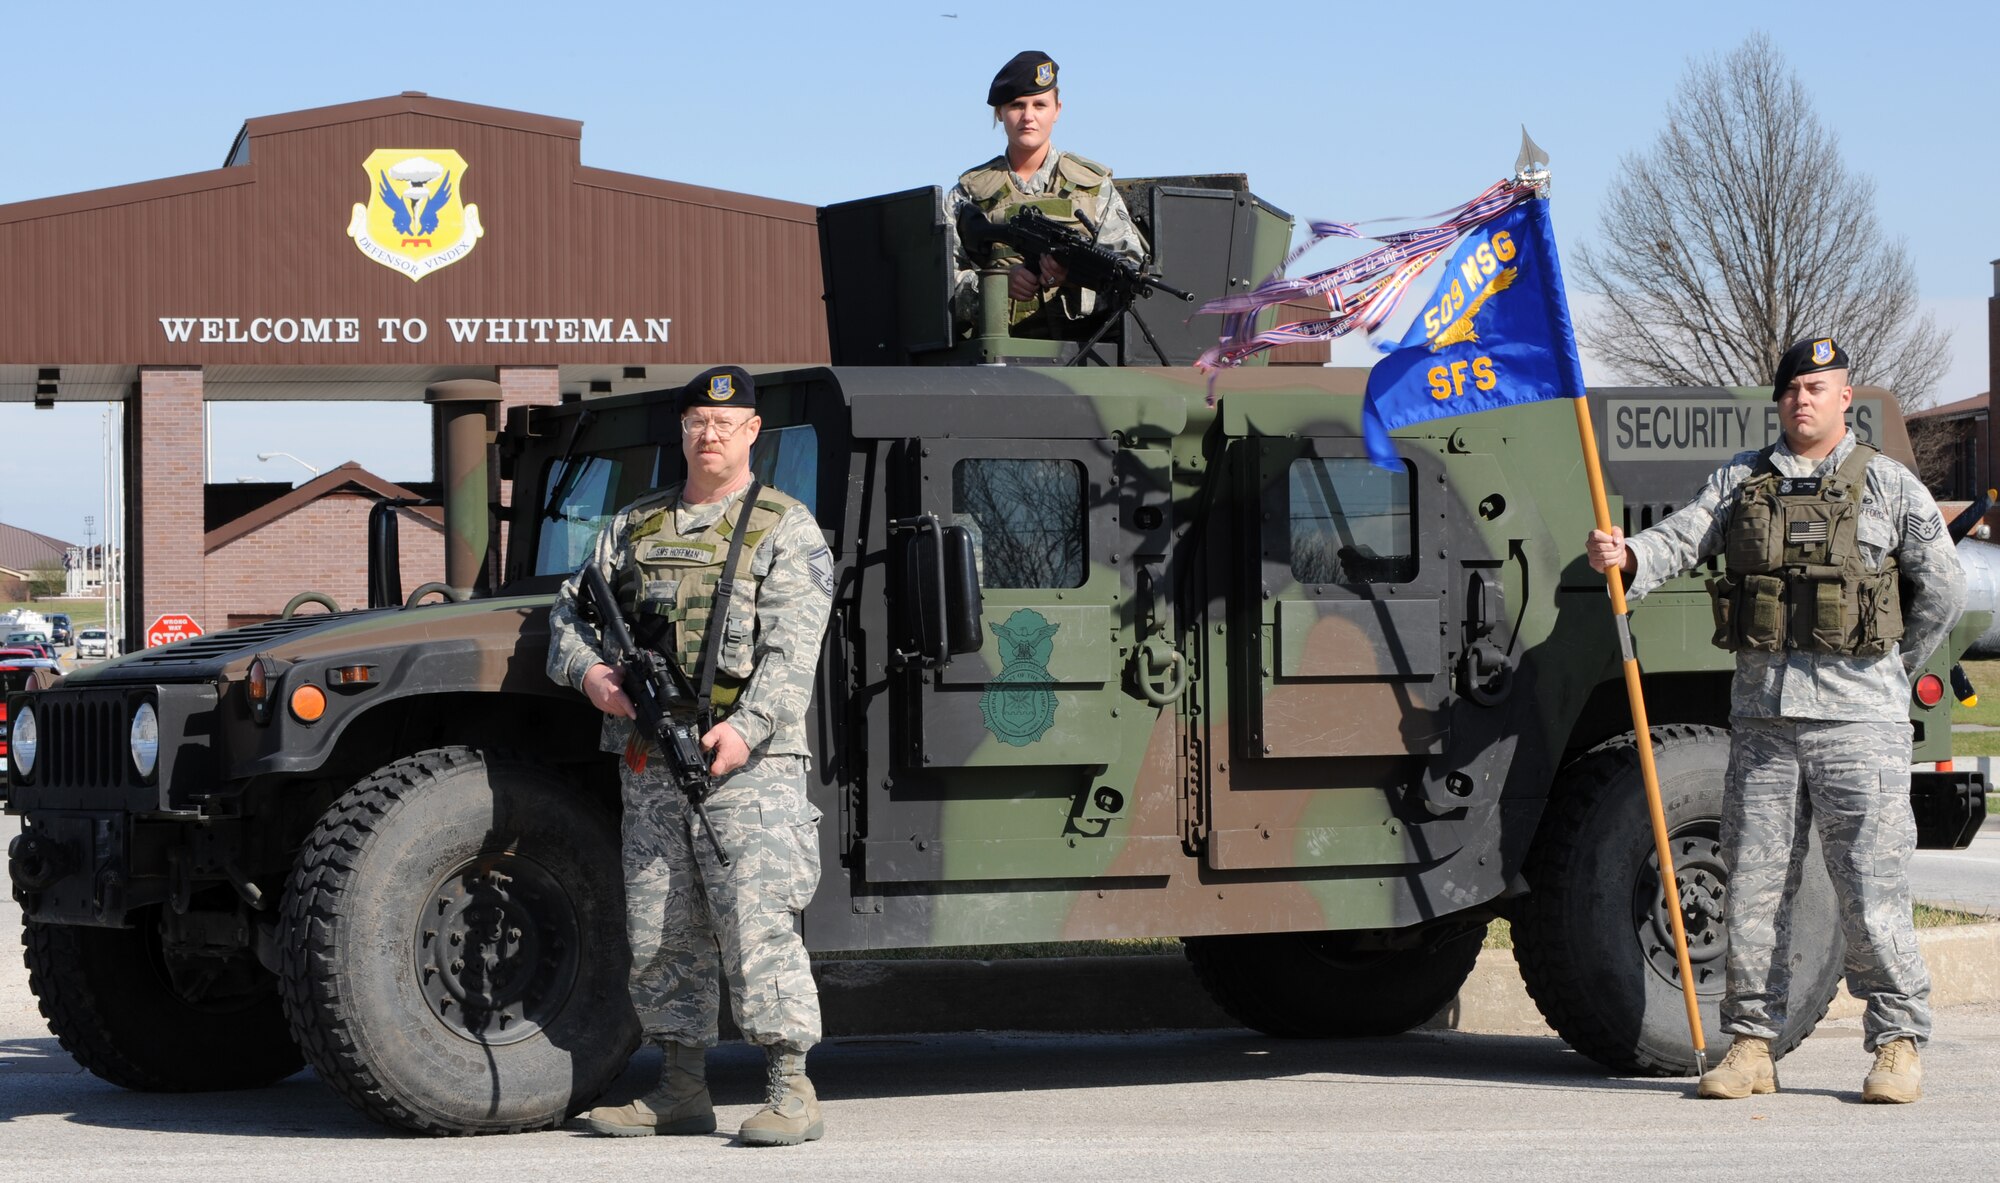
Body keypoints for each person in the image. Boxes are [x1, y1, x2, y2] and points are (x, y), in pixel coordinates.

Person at [1585, 338, 1965, 1104]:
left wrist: (1892, 673)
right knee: (1752, 887)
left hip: (1860, 728)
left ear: (1844, 396)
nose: (1802, 400)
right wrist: (1626, 555)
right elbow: (1683, 537)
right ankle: (1752, 1044)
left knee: (1870, 888)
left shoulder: (1889, 485)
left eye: (1817, 387)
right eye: (1792, 388)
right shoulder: (1741, 481)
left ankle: (1896, 1042)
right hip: (1763, 724)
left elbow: (1943, 589)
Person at [546, 365, 835, 1145]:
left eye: (726, 422)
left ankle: (791, 1086)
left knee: (757, 920)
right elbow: (565, 621)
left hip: (750, 764)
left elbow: (793, 651)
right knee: (661, 925)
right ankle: (680, 1088)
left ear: (750, 434)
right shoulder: (632, 527)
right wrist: (592, 674)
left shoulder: (784, 526)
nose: (710, 434)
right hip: (650, 762)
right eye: (696, 423)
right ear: (682, 433)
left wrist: (746, 728)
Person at [946, 50, 1148, 338]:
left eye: (1040, 105)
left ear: (1057, 110)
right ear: (1000, 112)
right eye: (1017, 105)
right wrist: (996, 286)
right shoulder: (969, 192)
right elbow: (942, 281)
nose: (1028, 116)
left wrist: (1075, 278)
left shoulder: (1092, 186)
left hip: (1082, 354)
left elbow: (1129, 272)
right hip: (998, 358)